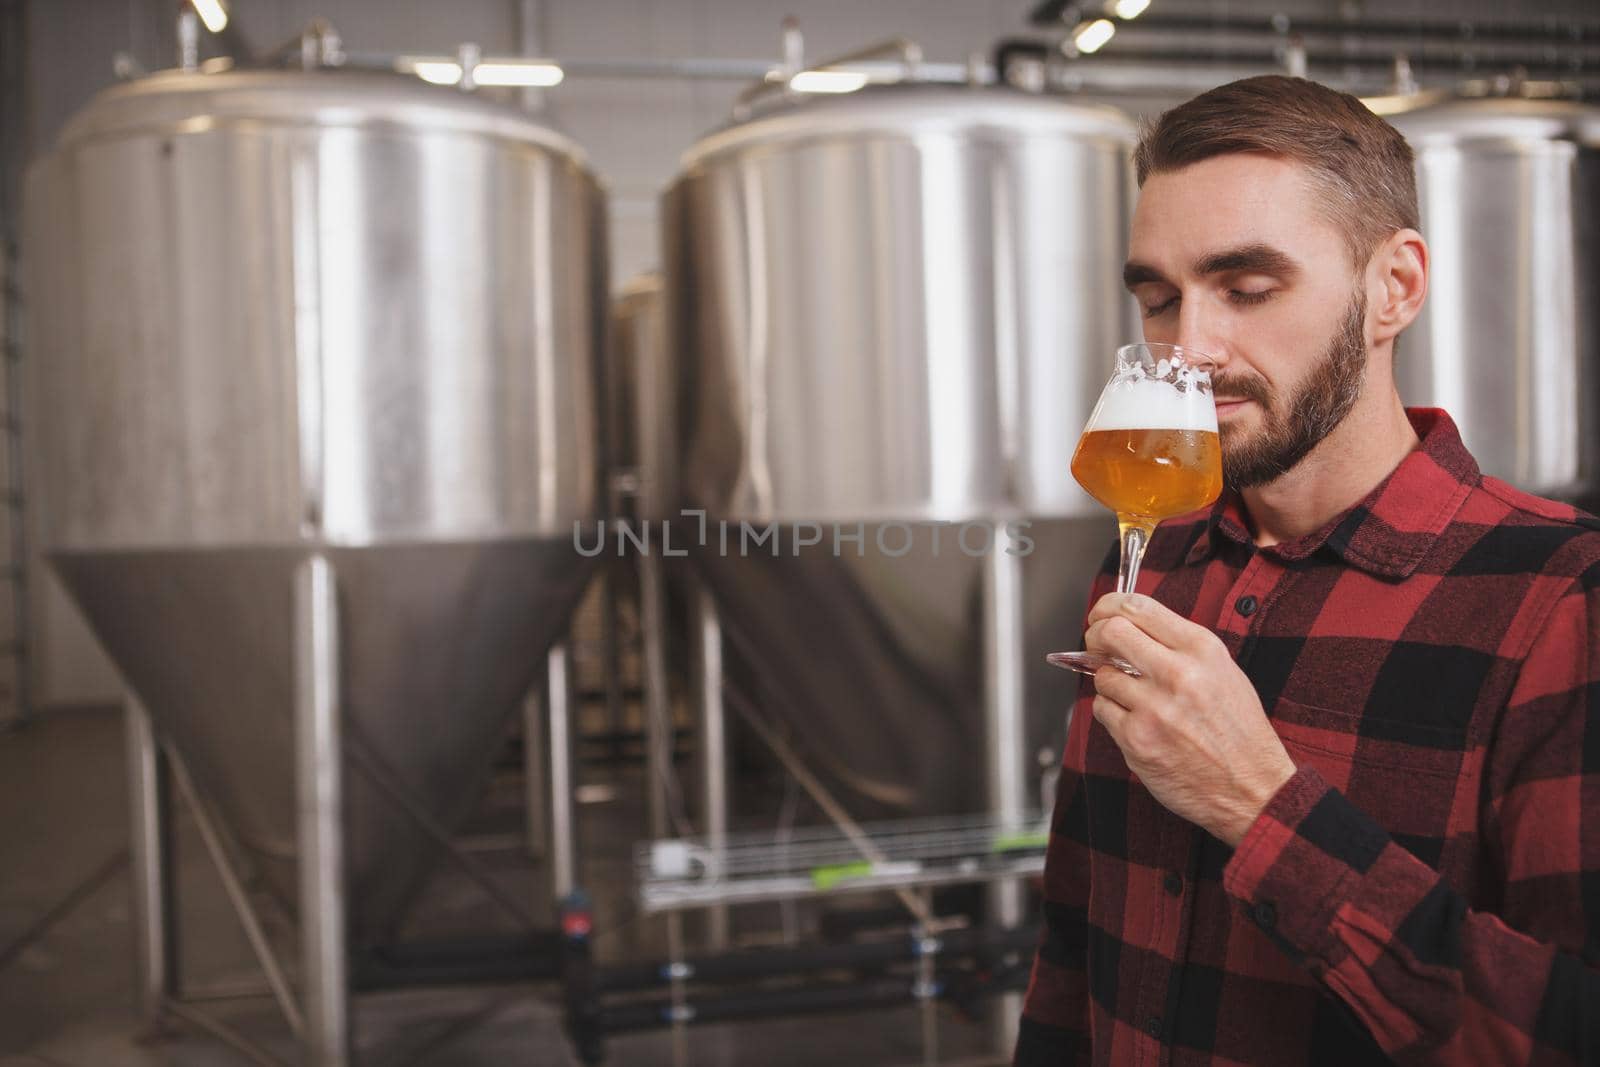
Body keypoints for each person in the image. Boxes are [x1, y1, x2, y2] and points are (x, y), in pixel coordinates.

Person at [1014, 75, 1600, 1066]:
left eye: (1246, 289)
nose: (1188, 348)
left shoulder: (1557, 597)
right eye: (1159, 298)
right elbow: (1076, 936)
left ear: (1394, 288)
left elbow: (1567, 1029)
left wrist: (1257, 800)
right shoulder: (1148, 566)